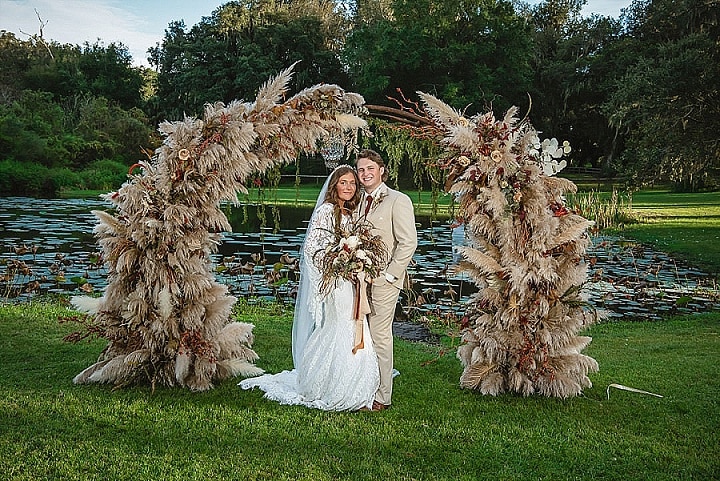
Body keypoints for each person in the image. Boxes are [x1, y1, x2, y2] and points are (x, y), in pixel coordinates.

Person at [239, 166, 380, 411]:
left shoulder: (350, 213)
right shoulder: (326, 211)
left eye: (352, 184)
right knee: (343, 324)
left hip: (351, 280)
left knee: (355, 322)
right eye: (343, 182)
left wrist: (357, 261)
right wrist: (336, 264)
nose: (348, 187)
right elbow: (311, 249)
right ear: (334, 185)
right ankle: (334, 385)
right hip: (336, 281)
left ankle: (357, 384)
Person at [356, 149, 417, 412]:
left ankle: (383, 396)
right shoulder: (357, 201)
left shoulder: (398, 200)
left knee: (380, 336)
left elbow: (408, 242)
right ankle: (362, 385)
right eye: (360, 170)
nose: (365, 173)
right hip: (357, 279)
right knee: (360, 335)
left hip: (384, 281)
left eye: (370, 168)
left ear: (382, 170)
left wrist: (391, 275)